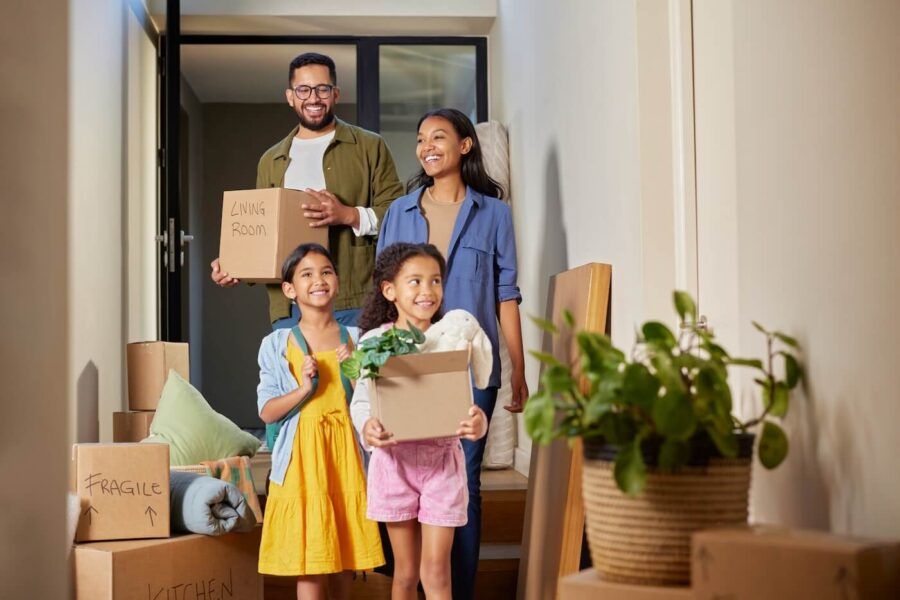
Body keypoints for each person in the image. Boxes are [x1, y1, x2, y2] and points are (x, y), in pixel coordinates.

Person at [376, 108, 529, 599]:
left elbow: (506, 294)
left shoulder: (494, 214)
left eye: (438, 137)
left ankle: (454, 591)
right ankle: (411, 584)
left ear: (465, 146)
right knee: (403, 478)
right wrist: (377, 366)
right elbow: (384, 294)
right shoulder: (399, 213)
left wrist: (517, 368)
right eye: (421, 139)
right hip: (406, 364)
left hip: (468, 366)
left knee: (462, 481)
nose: (426, 146)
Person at [211, 52, 404, 330]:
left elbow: (397, 215)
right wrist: (234, 266)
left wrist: (348, 215)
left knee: (357, 361)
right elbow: (261, 234)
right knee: (294, 362)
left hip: (353, 300)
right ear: (290, 96)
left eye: (322, 89)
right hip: (290, 305)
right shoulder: (271, 160)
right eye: (303, 90)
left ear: (335, 93)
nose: (313, 98)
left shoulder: (370, 146)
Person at [349, 242, 489, 600]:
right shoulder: (374, 342)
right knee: (406, 572)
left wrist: (478, 423)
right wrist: (368, 427)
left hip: (441, 464)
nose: (427, 290)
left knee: (436, 570)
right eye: (415, 281)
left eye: (435, 280)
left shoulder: (451, 339)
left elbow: (465, 403)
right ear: (389, 290)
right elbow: (362, 401)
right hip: (393, 464)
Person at [256, 243, 384, 599]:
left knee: (346, 557)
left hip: (346, 457)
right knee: (310, 561)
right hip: (301, 460)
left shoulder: (358, 339)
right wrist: (303, 388)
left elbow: (374, 404)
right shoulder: (276, 344)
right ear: (289, 289)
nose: (319, 280)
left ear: (338, 282)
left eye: (326, 271)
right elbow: (267, 411)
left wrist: (354, 368)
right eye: (306, 274)